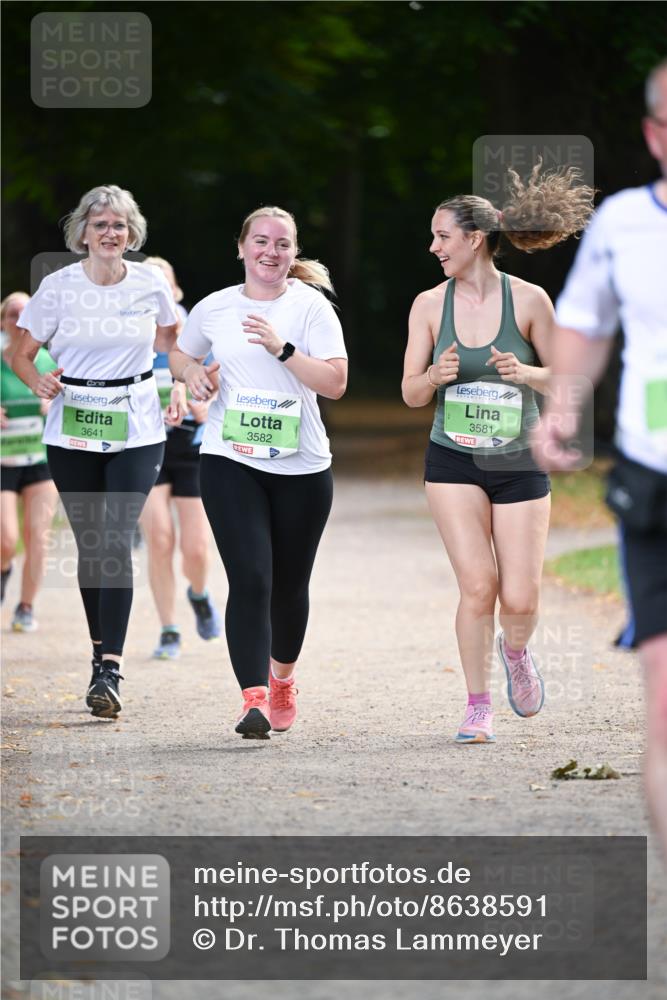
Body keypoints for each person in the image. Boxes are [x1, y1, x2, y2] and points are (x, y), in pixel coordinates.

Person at [402, 164, 594, 744]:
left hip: (518, 461)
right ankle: (478, 705)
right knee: (478, 587)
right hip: (452, 462)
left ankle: (516, 653)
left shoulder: (530, 300)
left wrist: (526, 371)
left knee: (520, 596)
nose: (433, 246)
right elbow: (411, 393)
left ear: (474, 239)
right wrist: (434, 374)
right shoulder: (429, 306)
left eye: (442, 236)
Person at [532, 59, 667, 858]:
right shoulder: (622, 223)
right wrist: (562, 409)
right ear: (654, 135)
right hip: (656, 479)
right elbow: (583, 325)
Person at [169, 206, 347, 737]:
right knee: (250, 578)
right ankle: (254, 700)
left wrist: (283, 348)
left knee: (289, 587)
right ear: (242, 247)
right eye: (262, 241)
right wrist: (194, 373)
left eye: (283, 244)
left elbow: (336, 383)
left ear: (294, 254)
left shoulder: (311, 307)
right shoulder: (215, 308)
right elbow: (179, 353)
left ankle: (283, 679)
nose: (271, 251)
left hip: (302, 466)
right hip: (230, 458)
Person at [12, 184, 182, 718]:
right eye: (102, 224)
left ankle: (111, 667)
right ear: (82, 232)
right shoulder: (58, 288)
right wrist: (37, 381)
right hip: (74, 426)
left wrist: (179, 382)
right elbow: (22, 353)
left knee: (113, 536)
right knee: (93, 546)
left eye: (120, 225)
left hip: (135, 423)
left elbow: (173, 344)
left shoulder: (150, 283)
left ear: (132, 234)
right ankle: (97, 654)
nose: (112, 233)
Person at [139, 256, 221, 659]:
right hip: (145, 448)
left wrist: (209, 402)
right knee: (159, 539)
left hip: (192, 448)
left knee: (196, 548)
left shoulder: (195, 333)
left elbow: (225, 376)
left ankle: (200, 594)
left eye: (164, 283)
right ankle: (169, 628)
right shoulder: (130, 336)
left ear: (176, 292)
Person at [1, 291, 59, 630]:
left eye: (26, 313)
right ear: (4, 322)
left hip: (41, 459)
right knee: (6, 538)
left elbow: (75, 399)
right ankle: (4, 567)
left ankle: (25, 606)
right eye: (12, 314)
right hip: (3, 460)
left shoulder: (49, 361)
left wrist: (55, 404)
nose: (19, 319)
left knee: (38, 536)